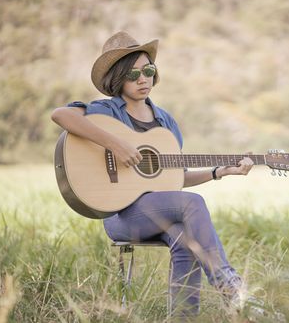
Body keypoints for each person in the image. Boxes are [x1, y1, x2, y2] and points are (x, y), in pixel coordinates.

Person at [50, 31, 255, 317]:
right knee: (192, 203)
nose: (143, 79)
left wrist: (219, 171)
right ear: (117, 77)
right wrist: (115, 144)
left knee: (187, 237)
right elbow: (61, 115)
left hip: (156, 210)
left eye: (148, 71)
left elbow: (174, 178)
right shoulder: (105, 110)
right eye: (133, 74)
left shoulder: (165, 122)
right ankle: (230, 288)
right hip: (120, 215)